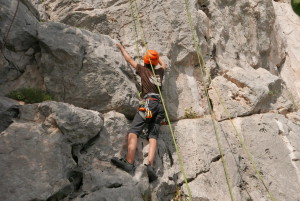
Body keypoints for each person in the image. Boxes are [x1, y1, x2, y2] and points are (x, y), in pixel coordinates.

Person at [111, 43, 167, 182]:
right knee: (153, 136)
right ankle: (150, 165)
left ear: (145, 61)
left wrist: (121, 47)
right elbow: (164, 64)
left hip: (149, 104)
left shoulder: (142, 69)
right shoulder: (159, 72)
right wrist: (156, 58)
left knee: (134, 131)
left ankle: (129, 163)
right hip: (160, 107)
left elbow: (129, 60)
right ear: (155, 63)